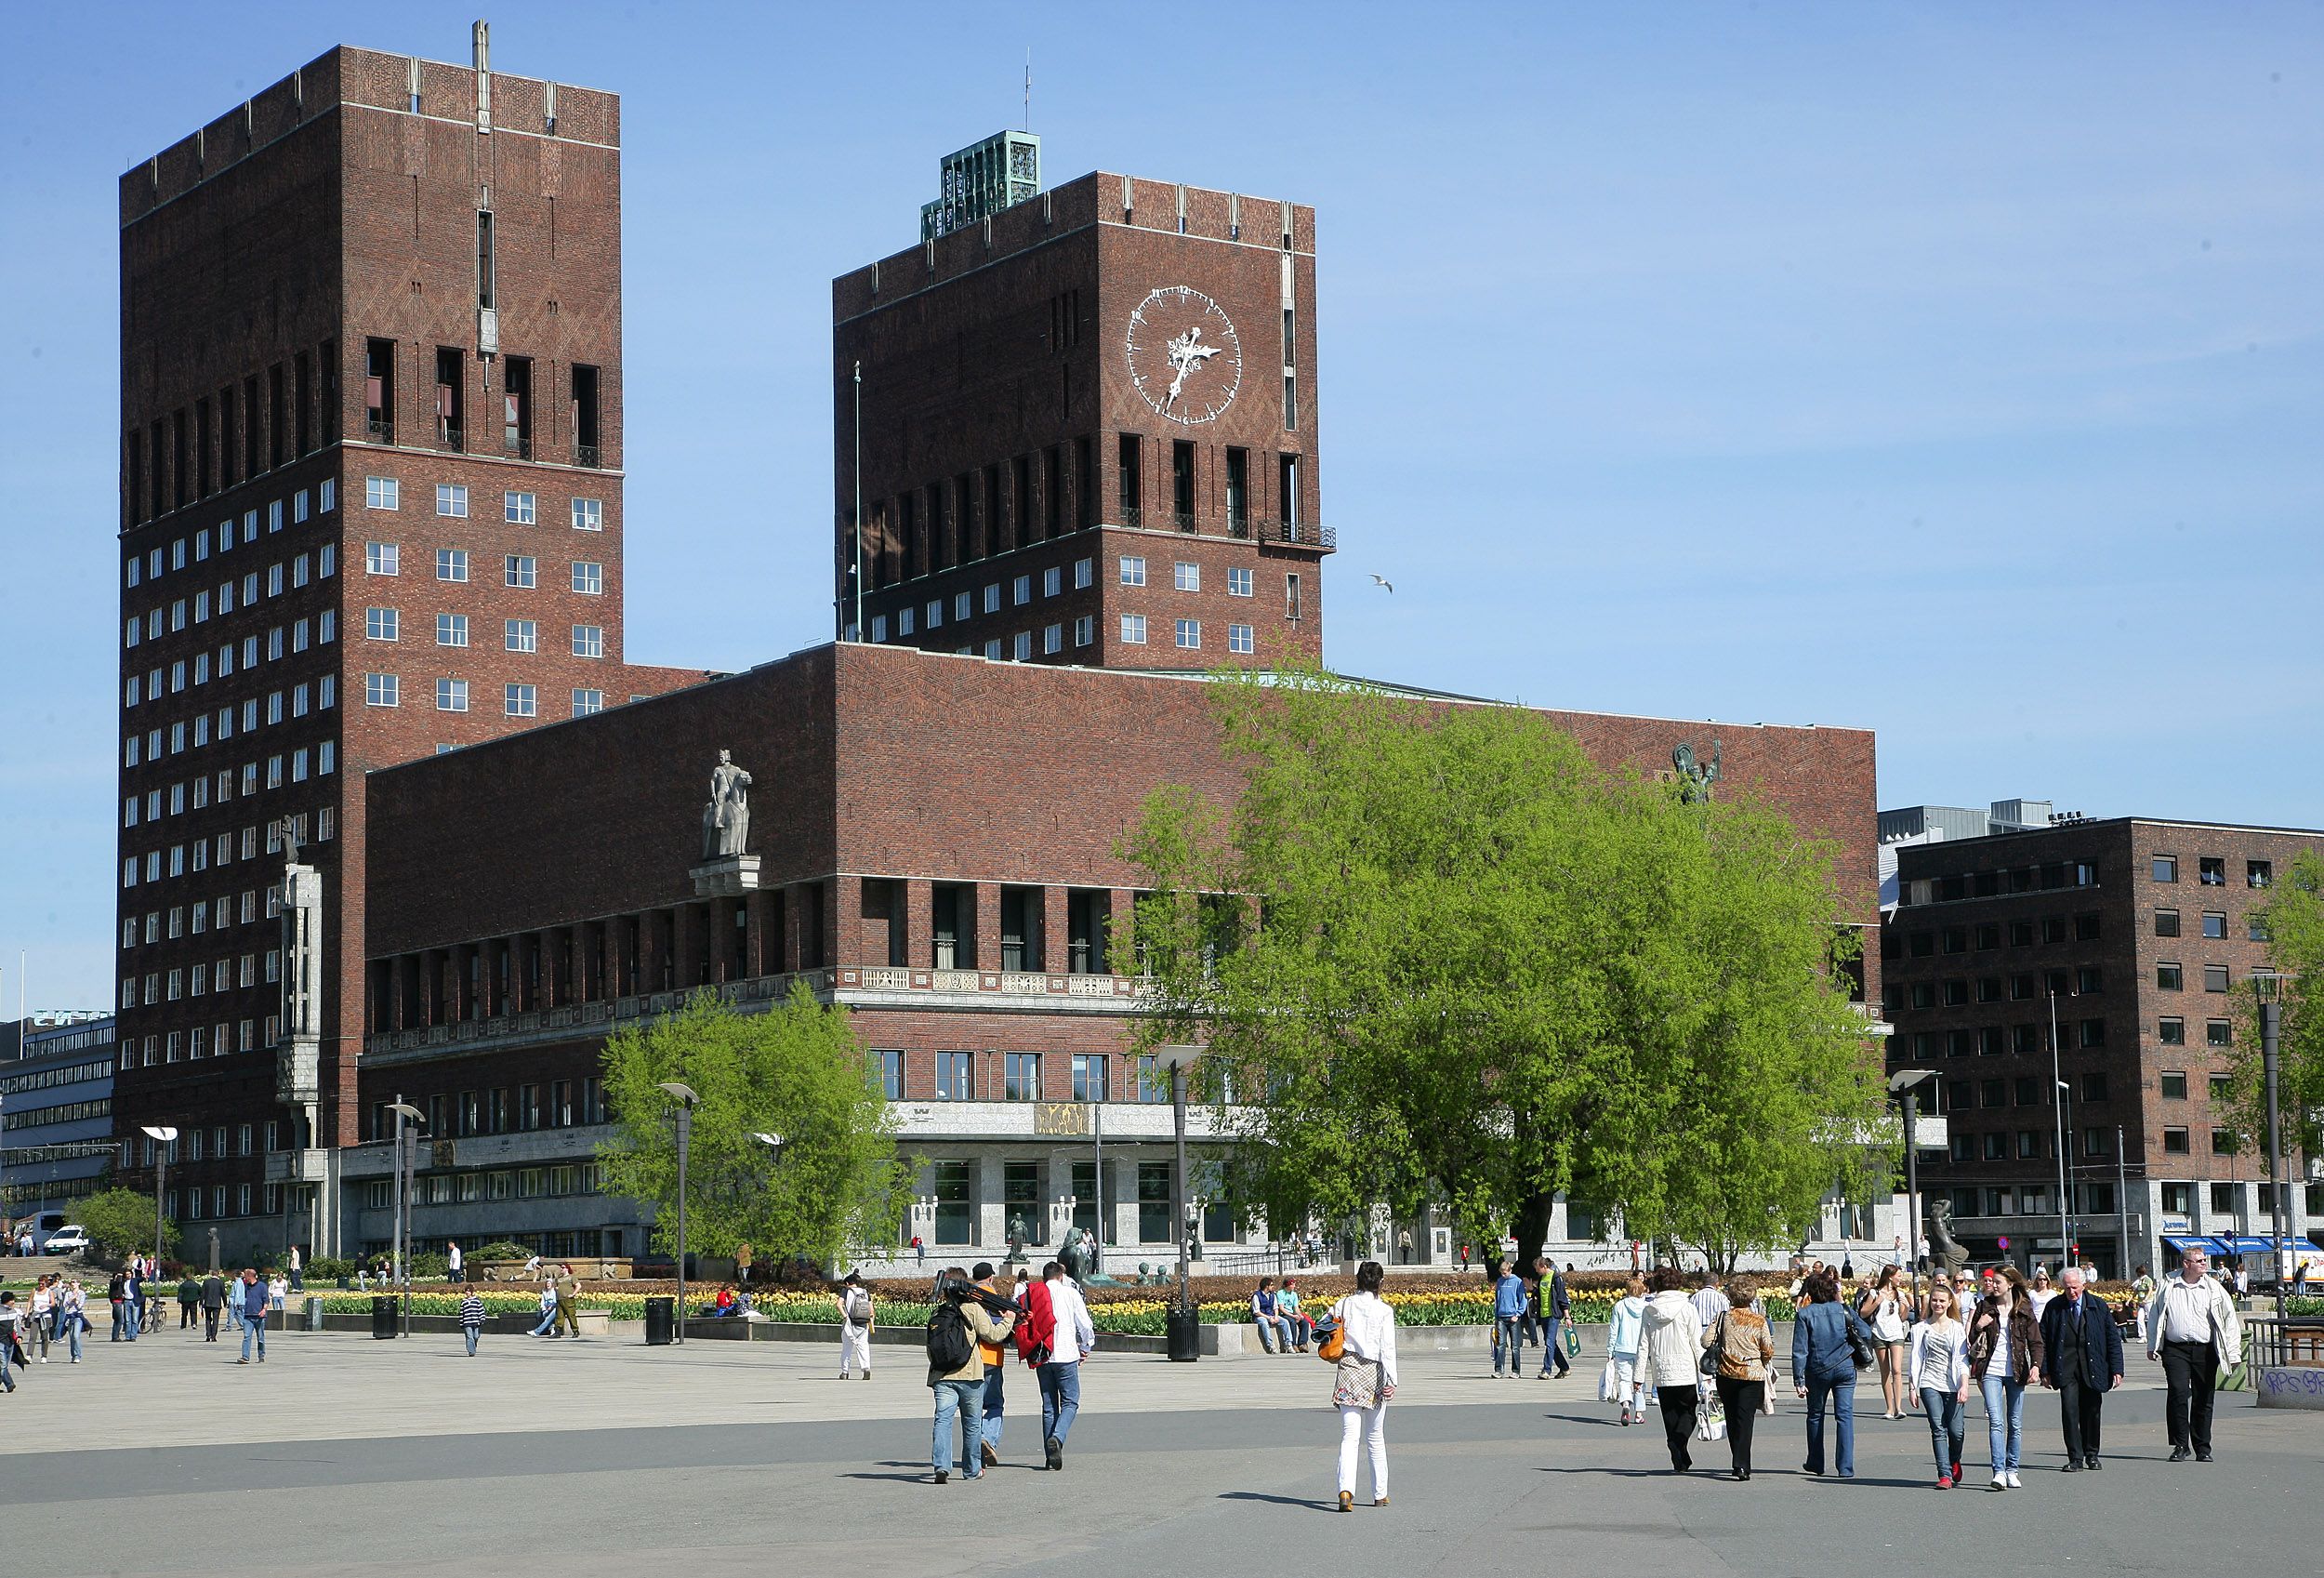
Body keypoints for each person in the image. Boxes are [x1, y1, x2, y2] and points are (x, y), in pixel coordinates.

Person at [2147, 1245, 2243, 1463]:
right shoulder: (2168, 1285)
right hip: (2175, 1349)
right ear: (2186, 1264)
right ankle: (2180, 1445)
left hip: (2205, 1349)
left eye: (2204, 1260)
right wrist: (2152, 1345)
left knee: (2204, 1397)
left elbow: (2230, 1321)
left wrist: (2233, 1353)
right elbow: (2156, 1315)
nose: (2204, 1264)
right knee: (2178, 1394)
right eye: (2199, 1261)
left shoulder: (2214, 1288)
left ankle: (2202, 1447)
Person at [928, 1266, 1016, 1483]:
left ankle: (941, 1466)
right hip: (970, 1374)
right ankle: (972, 1469)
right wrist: (1009, 1319)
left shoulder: (938, 1312)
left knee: (943, 1421)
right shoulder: (972, 1308)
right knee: (972, 1422)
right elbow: (993, 1335)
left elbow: (931, 1347)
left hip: (942, 1376)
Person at [1328, 1259, 1398, 1511]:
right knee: (1375, 1436)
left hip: (1348, 1368)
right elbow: (1387, 1349)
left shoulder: (1344, 1303)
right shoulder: (1384, 1310)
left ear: (1357, 1279)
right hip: (1374, 1371)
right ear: (1380, 1282)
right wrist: (1393, 1381)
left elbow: (1325, 1324)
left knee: (1349, 1436)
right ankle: (1380, 1493)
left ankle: (1345, 1491)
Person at [2039, 1266, 2123, 1471]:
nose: (2071, 1292)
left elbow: (2112, 1338)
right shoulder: (2054, 1307)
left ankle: (2092, 1454)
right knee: (2069, 1412)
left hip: (2093, 1366)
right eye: (2067, 1288)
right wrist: (2044, 1370)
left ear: (2084, 1285)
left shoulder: (2098, 1306)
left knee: (2092, 1412)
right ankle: (2075, 1458)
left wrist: (2117, 1369)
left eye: (2075, 1287)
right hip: (2065, 1367)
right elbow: (2043, 1340)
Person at [1967, 1265, 2042, 1490]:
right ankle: (1998, 1471)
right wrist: (1979, 1326)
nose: (1994, 1285)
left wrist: (2036, 1367)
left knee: (2015, 1423)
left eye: (1998, 1282)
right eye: (1993, 1282)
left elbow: (2036, 1342)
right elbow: (1971, 1337)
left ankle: (2012, 1469)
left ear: (2010, 1283)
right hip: (1990, 1370)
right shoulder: (1985, 1306)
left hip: (2017, 1371)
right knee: (1996, 1422)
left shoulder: (2024, 1308)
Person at [1792, 1270, 1868, 1479]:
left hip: (1817, 1369)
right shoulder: (1842, 1309)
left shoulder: (1805, 1314)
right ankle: (1845, 1467)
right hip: (1845, 1366)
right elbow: (1866, 1332)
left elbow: (1800, 1350)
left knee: (1816, 1415)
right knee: (1844, 1416)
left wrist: (1799, 1379)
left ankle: (1816, 1462)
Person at [1028, 1259, 1095, 1468]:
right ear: (1061, 1276)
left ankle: (1050, 1458)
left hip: (1042, 1355)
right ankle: (1057, 1437)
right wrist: (1086, 1347)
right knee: (1070, 1401)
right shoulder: (1070, 1293)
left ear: (1044, 1277)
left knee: (1049, 1406)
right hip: (1066, 1355)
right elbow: (1085, 1324)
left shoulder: (1034, 1295)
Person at [1638, 1268, 1706, 1472]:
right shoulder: (1688, 1308)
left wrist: (1638, 1376)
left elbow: (1643, 1345)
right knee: (1688, 1413)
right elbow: (1697, 1342)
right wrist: (1705, 1373)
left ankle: (1679, 1457)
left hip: (1661, 1369)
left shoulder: (1649, 1310)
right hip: (1685, 1369)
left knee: (1670, 1415)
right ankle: (1678, 1442)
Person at [1707, 1279, 1775, 1480]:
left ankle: (1737, 1460)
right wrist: (1761, 1359)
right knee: (1746, 1419)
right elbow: (1768, 1349)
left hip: (1727, 1373)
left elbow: (1705, 1341)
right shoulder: (1759, 1320)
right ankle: (1742, 1464)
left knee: (1731, 1417)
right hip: (1752, 1374)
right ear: (1752, 1296)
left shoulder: (1723, 1317)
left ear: (1730, 1296)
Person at [1908, 1278, 1972, 1487]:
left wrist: (1964, 1384)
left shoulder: (1957, 1328)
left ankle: (1954, 1460)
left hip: (1953, 1384)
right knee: (1938, 1427)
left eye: (1942, 1301)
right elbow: (1916, 1358)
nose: (1938, 1304)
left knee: (1956, 1431)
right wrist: (1913, 1386)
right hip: (1929, 1382)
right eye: (1934, 1300)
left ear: (1949, 1303)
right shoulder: (1920, 1329)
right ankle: (1944, 1474)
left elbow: (1962, 1360)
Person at [1856, 1265, 1910, 1419]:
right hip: (1879, 1333)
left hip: (1896, 1333)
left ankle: (1899, 1407)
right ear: (1890, 1276)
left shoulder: (1899, 1293)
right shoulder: (1875, 1292)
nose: (1900, 1279)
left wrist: (1905, 1306)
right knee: (1885, 1371)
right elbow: (1863, 1313)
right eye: (1898, 1276)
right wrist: (1877, 1301)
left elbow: (1902, 1317)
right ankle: (1889, 1407)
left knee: (1897, 1370)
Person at [971, 1263, 1011, 1465]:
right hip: (992, 1358)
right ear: (991, 1278)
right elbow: (999, 1329)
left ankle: (975, 1445)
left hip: (971, 1359)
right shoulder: (994, 1299)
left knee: (975, 1406)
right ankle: (987, 1438)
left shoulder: (969, 1296)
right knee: (995, 1404)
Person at [1607, 1274, 1647, 1425]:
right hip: (1640, 1349)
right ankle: (1639, 1413)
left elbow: (1613, 1330)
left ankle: (1625, 1404)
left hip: (1622, 1347)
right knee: (1639, 1379)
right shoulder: (1645, 1307)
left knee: (1624, 1379)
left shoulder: (1619, 1306)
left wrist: (1610, 1351)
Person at [1490, 1260, 1527, 1377]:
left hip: (1513, 1317)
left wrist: (1518, 1314)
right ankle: (1498, 1370)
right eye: (1501, 1273)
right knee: (1500, 1344)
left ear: (1510, 1270)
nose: (1503, 1275)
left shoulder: (1517, 1282)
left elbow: (1523, 1299)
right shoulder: (1500, 1282)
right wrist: (1496, 1316)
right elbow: (1497, 1299)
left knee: (1515, 1346)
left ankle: (1516, 1371)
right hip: (1501, 1317)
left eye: (1505, 1273)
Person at [1537, 1260, 1572, 1378]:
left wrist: (1567, 1316)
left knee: (1549, 1342)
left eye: (1538, 1268)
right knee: (1551, 1342)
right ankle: (1564, 1368)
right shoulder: (1542, 1279)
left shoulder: (1556, 1278)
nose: (1537, 1271)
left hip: (1553, 1315)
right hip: (1544, 1314)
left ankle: (1546, 1370)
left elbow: (1562, 1298)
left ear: (1544, 1266)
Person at [838, 1271, 876, 1380]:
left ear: (847, 1283)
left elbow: (838, 1304)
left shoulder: (846, 1291)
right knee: (863, 1347)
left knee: (847, 1348)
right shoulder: (865, 1292)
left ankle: (845, 1372)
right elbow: (871, 1310)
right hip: (863, 1324)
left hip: (849, 1324)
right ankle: (866, 1369)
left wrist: (845, 1316)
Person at [1249, 1276, 1295, 1354]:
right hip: (1260, 1316)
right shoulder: (1256, 1296)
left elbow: (1275, 1307)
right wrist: (1269, 1318)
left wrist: (1276, 1317)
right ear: (1267, 1286)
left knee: (1285, 1322)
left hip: (1271, 1315)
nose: (1273, 1287)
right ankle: (1270, 1345)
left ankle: (1288, 1344)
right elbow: (1256, 1311)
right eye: (1271, 1285)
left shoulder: (1272, 1295)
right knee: (1264, 1322)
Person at [235, 1268, 269, 1364]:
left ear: (250, 1276)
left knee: (260, 1338)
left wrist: (264, 1310)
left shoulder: (262, 1286)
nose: (245, 1278)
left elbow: (266, 1300)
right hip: (247, 1316)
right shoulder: (246, 1286)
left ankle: (261, 1355)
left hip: (259, 1316)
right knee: (246, 1336)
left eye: (245, 1276)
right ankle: (245, 1357)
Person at [1277, 1277, 1313, 1350]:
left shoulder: (1294, 1294)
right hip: (1284, 1314)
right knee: (1292, 1322)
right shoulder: (1280, 1293)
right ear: (1288, 1285)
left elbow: (1296, 1308)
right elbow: (1281, 1308)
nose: (1294, 1286)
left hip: (1293, 1314)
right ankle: (1293, 1344)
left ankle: (1302, 1343)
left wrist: (1299, 1315)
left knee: (1305, 1322)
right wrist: (1293, 1316)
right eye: (1292, 1285)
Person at [554, 1265, 582, 1338]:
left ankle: (575, 1331)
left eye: (563, 1268)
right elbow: (557, 1286)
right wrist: (556, 1289)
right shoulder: (558, 1278)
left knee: (571, 1315)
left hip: (568, 1300)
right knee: (559, 1317)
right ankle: (557, 1332)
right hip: (560, 1299)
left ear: (567, 1269)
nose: (561, 1269)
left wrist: (573, 1294)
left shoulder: (572, 1277)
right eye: (561, 1268)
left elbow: (578, 1286)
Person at [458, 1286, 486, 1355]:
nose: (467, 1292)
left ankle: (473, 1345)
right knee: (469, 1337)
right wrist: (461, 1323)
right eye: (466, 1291)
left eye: (468, 1291)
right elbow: (461, 1313)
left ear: (471, 1292)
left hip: (475, 1322)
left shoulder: (476, 1301)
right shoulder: (463, 1302)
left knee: (476, 1336)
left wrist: (482, 1319)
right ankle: (471, 1351)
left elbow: (481, 1310)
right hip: (467, 1322)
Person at [199, 1270, 225, 1342]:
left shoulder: (206, 1282)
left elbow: (203, 1293)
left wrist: (201, 1303)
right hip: (217, 1304)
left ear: (211, 1274)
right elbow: (223, 1293)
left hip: (207, 1304)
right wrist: (225, 1303)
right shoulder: (220, 1282)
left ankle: (208, 1335)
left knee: (208, 1319)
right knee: (215, 1320)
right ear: (218, 1275)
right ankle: (213, 1336)